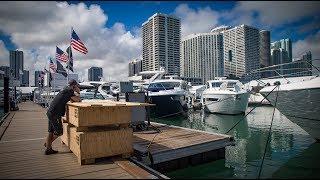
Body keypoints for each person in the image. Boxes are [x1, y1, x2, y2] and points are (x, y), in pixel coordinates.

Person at [44, 79, 81, 155]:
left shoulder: (65, 90)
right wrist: (78, 91)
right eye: (76, 85)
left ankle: (48, 149)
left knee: (50, 131)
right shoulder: (70, 91)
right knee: (59, 132)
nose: (77, 86)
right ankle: (48, 144)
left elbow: (72, 99)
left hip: (50, 112)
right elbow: (78, 100)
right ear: (74, 86)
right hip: (55, 114)